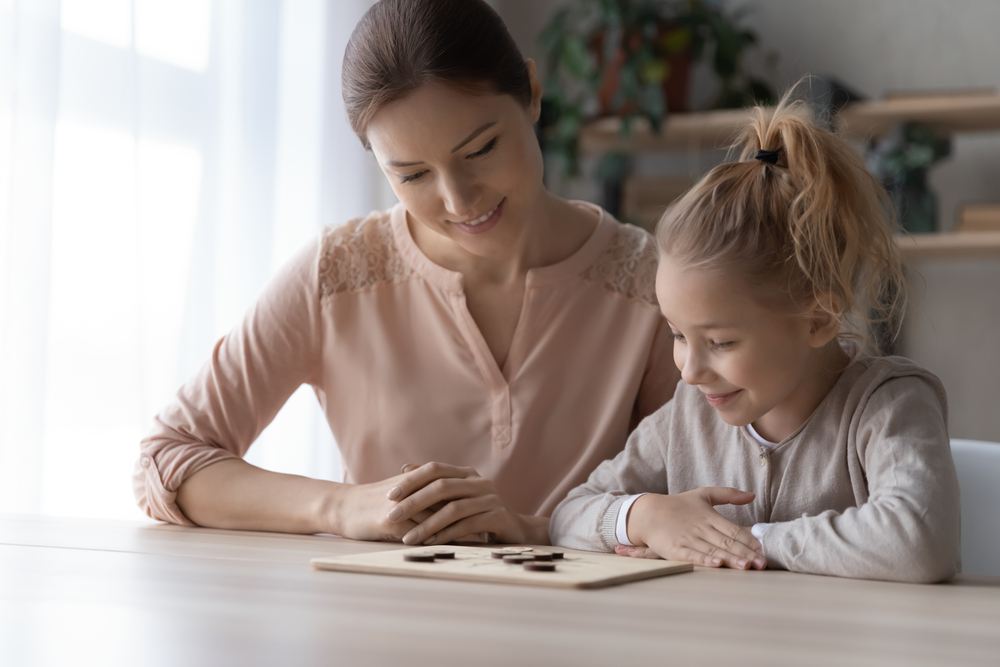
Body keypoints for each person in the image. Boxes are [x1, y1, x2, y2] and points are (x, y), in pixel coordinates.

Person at [132, 0, 679, 547]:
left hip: (588, 626)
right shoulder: (337, 273)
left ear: (532, 93)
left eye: (481, 149)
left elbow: (699, 501)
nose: (459, 201)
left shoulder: (649, 283)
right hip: (375, 624)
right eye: (413, 174)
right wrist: (340, 506)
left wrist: (532, 530)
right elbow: (168, 459)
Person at [549, 89, 961, 583]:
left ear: (818, 320)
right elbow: (567, 516)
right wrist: (644, 518)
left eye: (720, 342)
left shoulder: (888, 405)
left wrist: (751, 541)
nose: (689, 370)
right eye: (678, 335)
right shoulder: (687, 418)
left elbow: (918, 541)